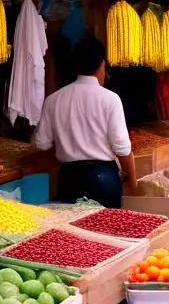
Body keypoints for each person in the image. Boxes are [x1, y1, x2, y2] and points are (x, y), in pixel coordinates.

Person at [34, 37, 136, 207]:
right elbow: (123, 149)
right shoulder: (110, 100)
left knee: (74, 232)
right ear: (102, 64)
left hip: (69, 180)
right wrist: (133, 184)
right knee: (106, 232)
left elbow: (42, 145)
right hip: (103, 180)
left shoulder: (53, 100)